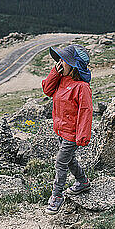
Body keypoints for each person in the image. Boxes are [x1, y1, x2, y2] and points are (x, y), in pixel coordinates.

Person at [41, 44, 93, 215]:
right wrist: (55, 72)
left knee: (60, 162)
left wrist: (83, 136)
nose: (60, 62)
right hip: (61, 130)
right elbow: (47, 90)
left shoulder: (82, 87)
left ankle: (57, 196)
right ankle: (83, 181)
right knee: (69, 161)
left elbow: (86, 111)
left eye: (64, 60)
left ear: (74, 65)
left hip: (72, 134)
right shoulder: (62, 79)